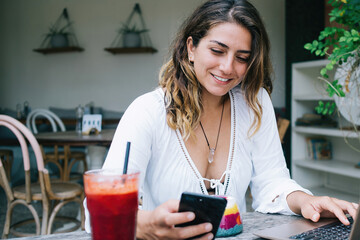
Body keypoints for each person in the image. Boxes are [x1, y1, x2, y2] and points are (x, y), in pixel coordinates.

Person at [85, 0, 358, 239]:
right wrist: (142, 225)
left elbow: (272, 182)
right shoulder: (147, 111)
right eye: (217, 51)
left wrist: (308, 201)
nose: (228, 68)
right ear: (191, 48)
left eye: (242, 57)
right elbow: (96, 211)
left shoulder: (255, 101)